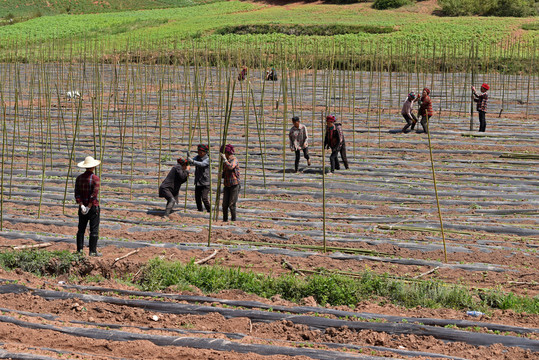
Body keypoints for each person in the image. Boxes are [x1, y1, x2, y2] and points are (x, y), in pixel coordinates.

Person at [74, 156, 101, 256]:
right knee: (94, 229)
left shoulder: (79, 178)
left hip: (82, 208)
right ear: (93, 167)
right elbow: (94, 194)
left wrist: (82, 205)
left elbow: (77, 193)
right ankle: (92, 252)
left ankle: (79, 250)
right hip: (93, 207)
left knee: (81, 228)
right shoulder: (95, 179)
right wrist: (89, 206)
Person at [188, 144, 211, 213]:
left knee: (204, 198)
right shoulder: (197, 157)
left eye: (201, 152)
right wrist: (189, 158)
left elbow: (202, 164)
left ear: (205, 152)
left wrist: (192, 161)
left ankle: (209, 210)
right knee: (197, 197)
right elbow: (191, 162)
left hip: (205, 182)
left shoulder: (207, 159)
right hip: (198, 181)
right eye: (198, 152)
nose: (200, 154)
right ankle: (200, 210)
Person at [220, 144, 240, 222]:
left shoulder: (234, 159)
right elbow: (225, 173)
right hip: (227, 184)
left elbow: (231, 167)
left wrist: (225, 160)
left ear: (227, 153)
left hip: (234, 185)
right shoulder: (225, 161)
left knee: (232, 204)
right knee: (224, 204)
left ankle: (233, 220)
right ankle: (225, 220)